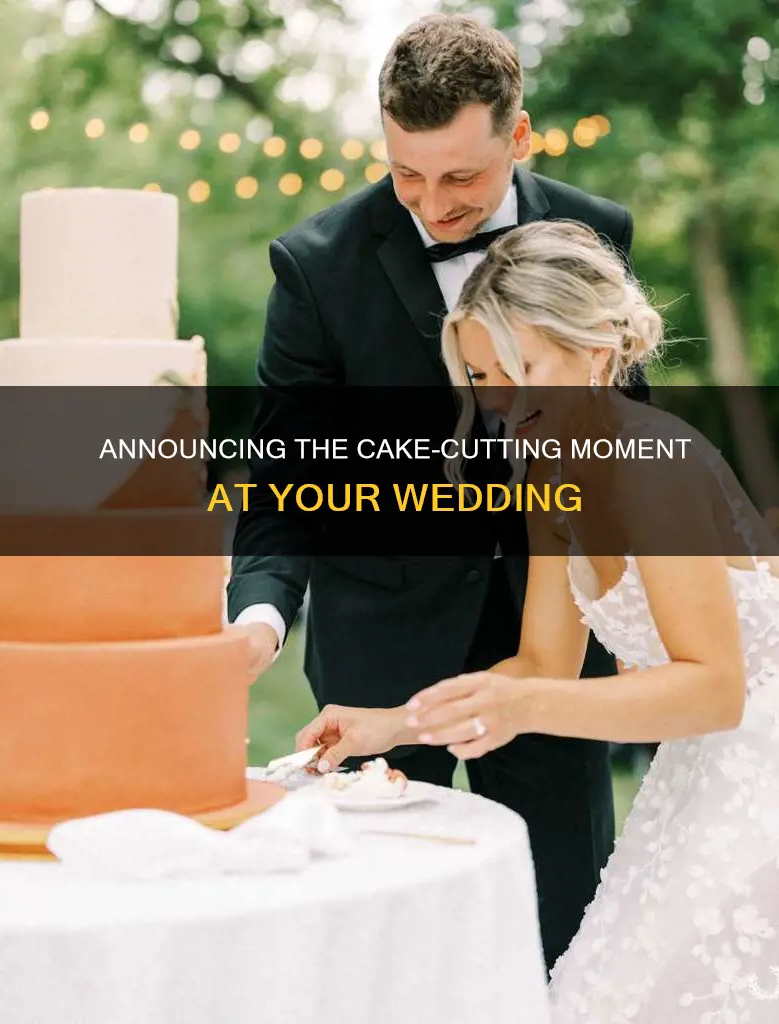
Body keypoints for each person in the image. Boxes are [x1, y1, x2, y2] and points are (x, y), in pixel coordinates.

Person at [295, 220, 779, 1019]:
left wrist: (527, 706)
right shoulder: (552, 477)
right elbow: (542, 665)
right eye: (481, 376)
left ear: (594, 352)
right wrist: (393, 724)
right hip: (709, 764)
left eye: (522, 369)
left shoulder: (656, 466)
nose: (499, 403)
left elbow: (715, 689)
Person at [227, 13, 647, 971]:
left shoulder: (599, 234)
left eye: (461, 176)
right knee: (383, 947)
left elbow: (616, 450)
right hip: (380, 652)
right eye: (407, 173)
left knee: (565, 926)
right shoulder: (316, 265)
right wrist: (258, 615)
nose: (431, 203)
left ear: (520, 135)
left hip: (553, 657)